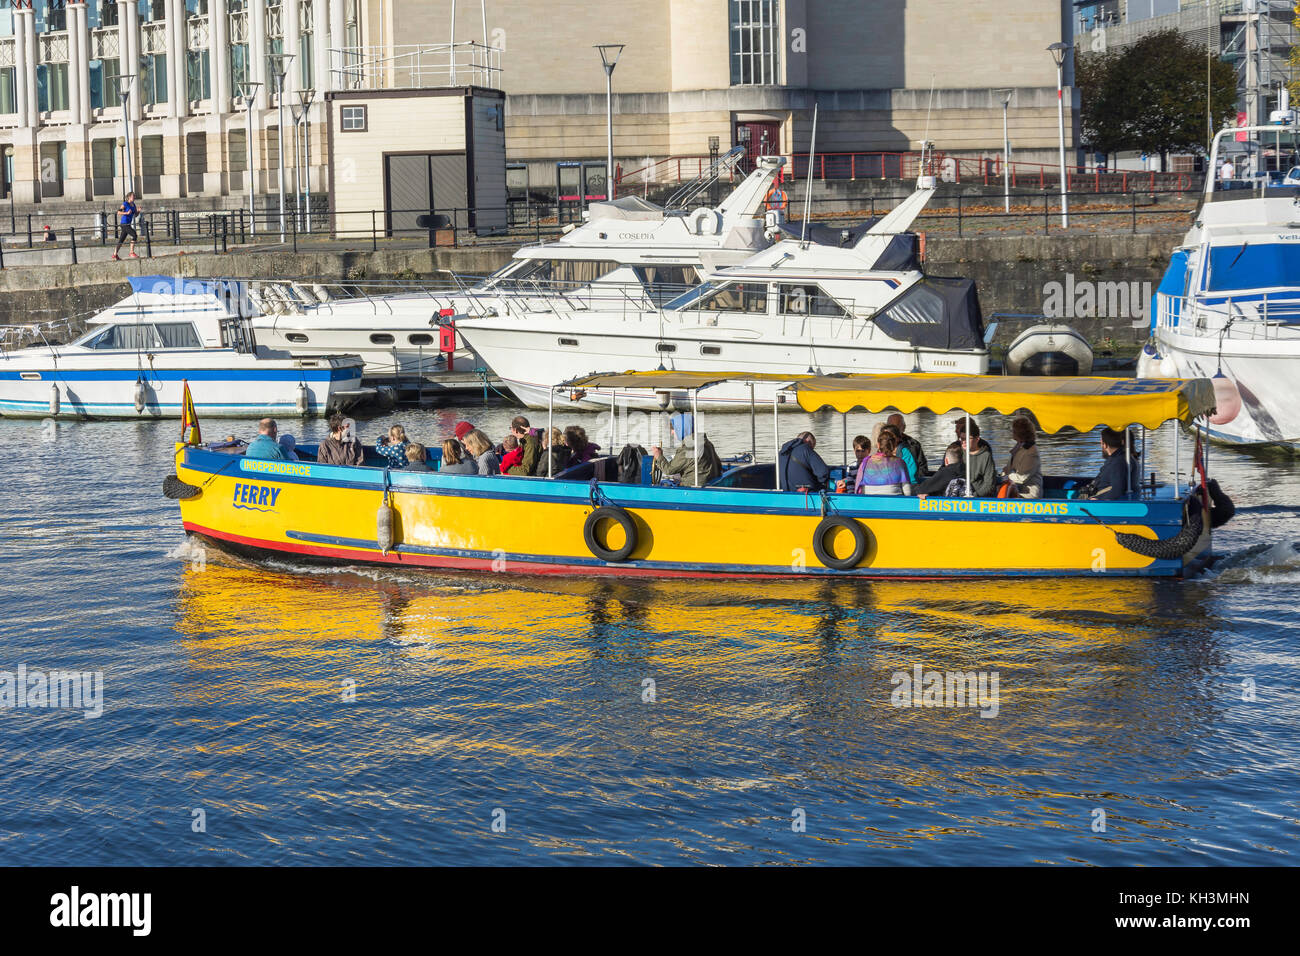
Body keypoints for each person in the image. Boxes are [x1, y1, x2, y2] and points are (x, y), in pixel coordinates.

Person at [650, 412, 722, 487]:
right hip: (709, 483)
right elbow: (718, 464)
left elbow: (669, 470)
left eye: (673, 429)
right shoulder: (706, 442)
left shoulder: (687, 449)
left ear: (680, 429)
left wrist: (658, 455)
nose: (671, 433)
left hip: (694, 488)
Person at [1078, 427, 1130, 501]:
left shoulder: (1117, 463)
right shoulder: (1114, 459)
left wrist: (1098, 499)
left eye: (1101, 442)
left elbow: (1117, 489)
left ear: (1105, 445)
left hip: (1100, 503)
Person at [855, 429, 912, 495]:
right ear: (894, 445)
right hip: (894, 501)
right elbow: (907, 491)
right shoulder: (900, 463)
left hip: (869, 501)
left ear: (878, 445)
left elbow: (859, 489)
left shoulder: (865, 462)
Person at [1002, 416, 1043, 499]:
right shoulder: (1019, 447)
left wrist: (1005, 477)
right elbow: (1008, 469)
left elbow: (1022, 477)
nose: (1012, 432)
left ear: (1020, 433)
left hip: (1028, 494)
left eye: (1013, 431)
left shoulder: (1031, 452)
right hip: (1015, 489)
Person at [961, 420, 998, 497]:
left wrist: (974, 496)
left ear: (977, 439)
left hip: (978, 497)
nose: (963, 442)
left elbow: (989, 484)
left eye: (967, 439)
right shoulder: (958, 452)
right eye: (961, 439)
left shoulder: (986, 456)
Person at [887, 413, 930, 477]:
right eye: (891, 428)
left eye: (897, 428)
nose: (894, 432)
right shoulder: (882, 443)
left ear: (904, 427)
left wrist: (914, 480)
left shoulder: (914, 444)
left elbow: (922, 467)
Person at [112, 191, 139, 260]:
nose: (134, 197)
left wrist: (138, 211)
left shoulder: (133, 205)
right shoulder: (125, 204)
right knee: (134, 235)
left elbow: (135, 215)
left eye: (134, 196)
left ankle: (115, 255)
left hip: (128, 224)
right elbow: (118, 212)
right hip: (124, 224)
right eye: (133, 196)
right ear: (129, 197)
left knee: (121, 240)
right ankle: (131, 252)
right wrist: (126, 213)